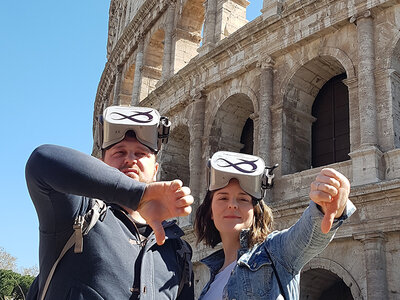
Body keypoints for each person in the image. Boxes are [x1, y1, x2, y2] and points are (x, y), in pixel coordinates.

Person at [26, 106, 194, 300]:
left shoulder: (178, 251)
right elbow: (41, 161)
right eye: (119, 152)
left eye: (140, 154)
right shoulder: (79, 213)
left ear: (155, 169)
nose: (130, 159)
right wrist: (138, 195)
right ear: (100, 165)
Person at [195, 151, 356, 300]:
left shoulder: (274, 253)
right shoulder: (210, 281)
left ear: (255, 212)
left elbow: (306, 235)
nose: (232, 205)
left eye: (243, 199)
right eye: (223, 198)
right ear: (210, 212)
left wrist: (325, 207)